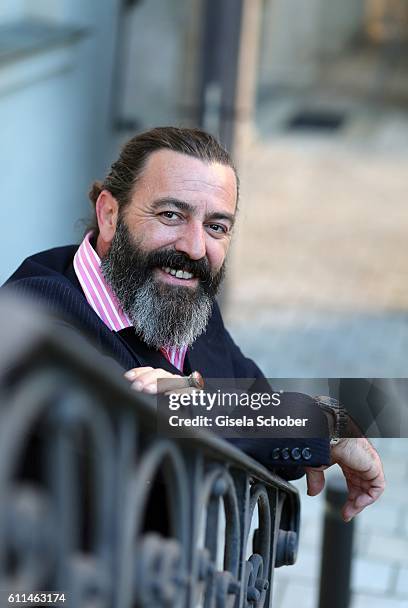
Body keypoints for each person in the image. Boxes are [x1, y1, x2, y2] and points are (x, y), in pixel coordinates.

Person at [4, 127, 385, 521]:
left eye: (216, 226)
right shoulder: (33, 309)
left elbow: (259, 412)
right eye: (171, 215)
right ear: (110, 214)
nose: (195, 247)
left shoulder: (187, 302)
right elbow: (124, 416)